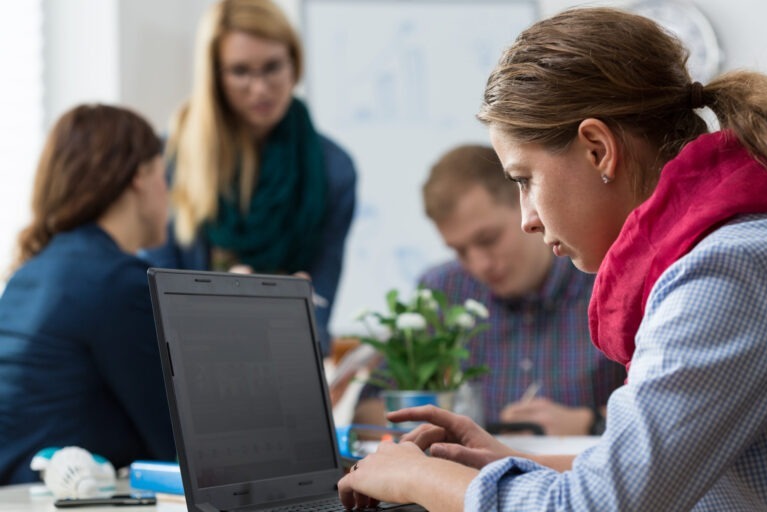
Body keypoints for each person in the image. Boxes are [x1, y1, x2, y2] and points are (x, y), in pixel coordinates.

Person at [337, 7, 767, 510]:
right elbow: (649, 483)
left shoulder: (720, 272)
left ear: (597, 149)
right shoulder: (715, 256)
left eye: (525, 180)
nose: (528, 219)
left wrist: (418, 479)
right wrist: (506, 461)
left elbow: (595, 505)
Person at [353, 144, 624, 434]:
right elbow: (367, 412)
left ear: (528, 205)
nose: (478, 264)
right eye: (459, 251)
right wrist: (437, 421)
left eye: (488, 239)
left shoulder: (606, 276)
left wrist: (589, 422)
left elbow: (665, 410)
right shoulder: (443, 289)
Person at [144, 0, 357, 356]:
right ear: (215, 76)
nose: (260, 89)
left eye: (272, 67)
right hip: (188, 367)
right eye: (240, 71)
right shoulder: (170, 160)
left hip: (284, 366)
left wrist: (295, 313)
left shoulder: (334, 170)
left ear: (295, 63)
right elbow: (151, 306)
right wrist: (225, 308)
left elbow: (320, 318)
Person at [0, 104, 176, 484]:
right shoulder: (117, 281)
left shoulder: (30, 273)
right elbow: (177, 444)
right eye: (163, 174)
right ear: (139, 178)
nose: (169, 192)